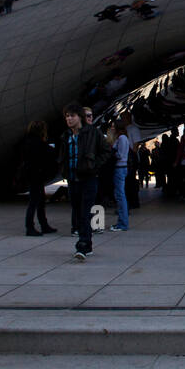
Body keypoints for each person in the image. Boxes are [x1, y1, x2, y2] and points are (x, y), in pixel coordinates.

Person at [58, 104, 112, 260]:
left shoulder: (92, 133)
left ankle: (82, 244)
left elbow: (106, 151)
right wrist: (63, 170)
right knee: (77, 211)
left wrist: (94, 166)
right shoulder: (66, 136)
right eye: (67, 116)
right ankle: (87, 245)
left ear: (79, 117)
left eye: (72, 116)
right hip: (73, 179)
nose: (69, 119)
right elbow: (63, 155)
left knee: (84, 212)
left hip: (88, 178)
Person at [18, 120, 56, 236]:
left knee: (38, 201)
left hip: (32, 174)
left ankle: (43, 224)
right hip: (36, 175)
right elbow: (47, 155)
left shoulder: (27, 141)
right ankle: (31, 227)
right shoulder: (39, 143)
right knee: (35, 201)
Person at [110, 119, 131, 231]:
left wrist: (112, 152)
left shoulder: (122, 138)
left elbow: (121, 155)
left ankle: (123, 223)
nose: (112, 128)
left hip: (120, 167)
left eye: (113, 126)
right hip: (120, 168)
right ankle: (122, 221)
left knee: (120, 195)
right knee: (119, 194)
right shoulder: (121, 138)